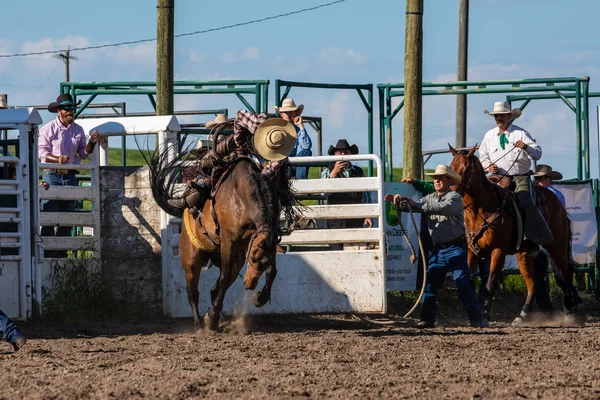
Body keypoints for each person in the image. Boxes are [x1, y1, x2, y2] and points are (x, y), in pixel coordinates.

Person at [385, 165, 487, 328]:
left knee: (462, 282)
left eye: (441, 178)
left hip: (456, 248)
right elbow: (415, 206)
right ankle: (427, 319)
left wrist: (414, 204)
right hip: (439, 249)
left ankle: (476, 319)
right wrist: (399, 203)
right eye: (435, 178)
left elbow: (440, 208)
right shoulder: (429, 198)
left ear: (449, 181)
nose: (437, 181)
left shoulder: (454, 197)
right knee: (431, 283)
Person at [167, 111, 297, 216]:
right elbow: (241, 118)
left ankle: (192, 201)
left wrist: (259, 176)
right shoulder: (261, 122)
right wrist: (256, 130)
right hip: (238, 147)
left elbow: (267, 173)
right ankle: (193, 201)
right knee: (209, 171)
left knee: (272, 190)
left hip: (246, 152)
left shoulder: (279, 155)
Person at [479, 101, 553, 250]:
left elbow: (537, 153)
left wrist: (525, 147)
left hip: (519, 177)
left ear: (508, 116)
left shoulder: (520, 133)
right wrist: (488, 166)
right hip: (497, 177)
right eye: (496, 116)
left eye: (501, 115)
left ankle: (532, 238)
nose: (498, 118)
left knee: (525, 199)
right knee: (483, 198)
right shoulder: (489, 136)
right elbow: (483, 157)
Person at [38, 94, 99, 258]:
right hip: (52, 174)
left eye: (72, 108)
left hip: (69, 176)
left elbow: (83, 154)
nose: (70, 111)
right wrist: (57, 159)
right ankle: (49, 251)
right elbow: (42, 153)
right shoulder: (48, 129)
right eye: (67, 108)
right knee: (50, 213)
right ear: (59, 111)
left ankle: (61, 251)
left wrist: (91, 143)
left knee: (67, 214)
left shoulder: (78, 130)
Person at [321, 140, 373, 250]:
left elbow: (366, 195)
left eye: (346, 152)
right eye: (340, 152)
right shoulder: (327, 171)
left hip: (355, 217)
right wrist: (334, 173)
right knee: (336, 249)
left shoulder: (359, 172)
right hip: (335, 217)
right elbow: (322, 193)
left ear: (351, 154)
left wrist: (368, 214)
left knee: (355, 250)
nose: (343, 155)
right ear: (335, 155)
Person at [275, 98, 312, 179]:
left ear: (296, 113)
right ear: (281, 114)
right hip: (282, 165)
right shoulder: (276, 130)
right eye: (285, 112)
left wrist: (301, 125)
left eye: (291, 111)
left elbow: (306, 147)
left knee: (306, 152)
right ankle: (301, 185)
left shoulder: (299, 130)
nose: (288, 114)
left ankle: (301, 183)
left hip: (295, 165)